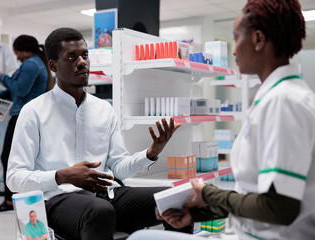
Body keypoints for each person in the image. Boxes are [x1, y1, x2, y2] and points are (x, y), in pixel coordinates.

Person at [128, 0, 315, 240]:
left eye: (237, 38)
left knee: (140, 238)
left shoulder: (283, 102)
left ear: (258, 40)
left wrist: (209, 194)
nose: (234, 50)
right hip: (253, 232)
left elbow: (280, 208)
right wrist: (198, 213)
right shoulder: (280, 97)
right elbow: (254, 196)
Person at [6, 27, 193, 240]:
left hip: (106, 196)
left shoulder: (103, 109)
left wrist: (150, 153)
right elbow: (14, 178)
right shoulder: (33, 112)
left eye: (85, 55)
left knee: (176, 199)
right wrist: (63, 175)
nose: (82, 62)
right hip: (57, 201)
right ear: (53, 66)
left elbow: (119, 168)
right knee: (99, 211)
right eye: (72, 57)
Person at [0, 35, 54, 214]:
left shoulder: (31, 65)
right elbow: (18, 90)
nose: (16, 56)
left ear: (24, 51)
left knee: (9, 158)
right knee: (21, 159)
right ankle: (18, 198)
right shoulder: (35, 63)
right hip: (27, 115)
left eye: (16, 52)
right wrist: (0, 96)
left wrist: (3, 77)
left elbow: (20, 89)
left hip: (22, 117)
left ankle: (11, 201)